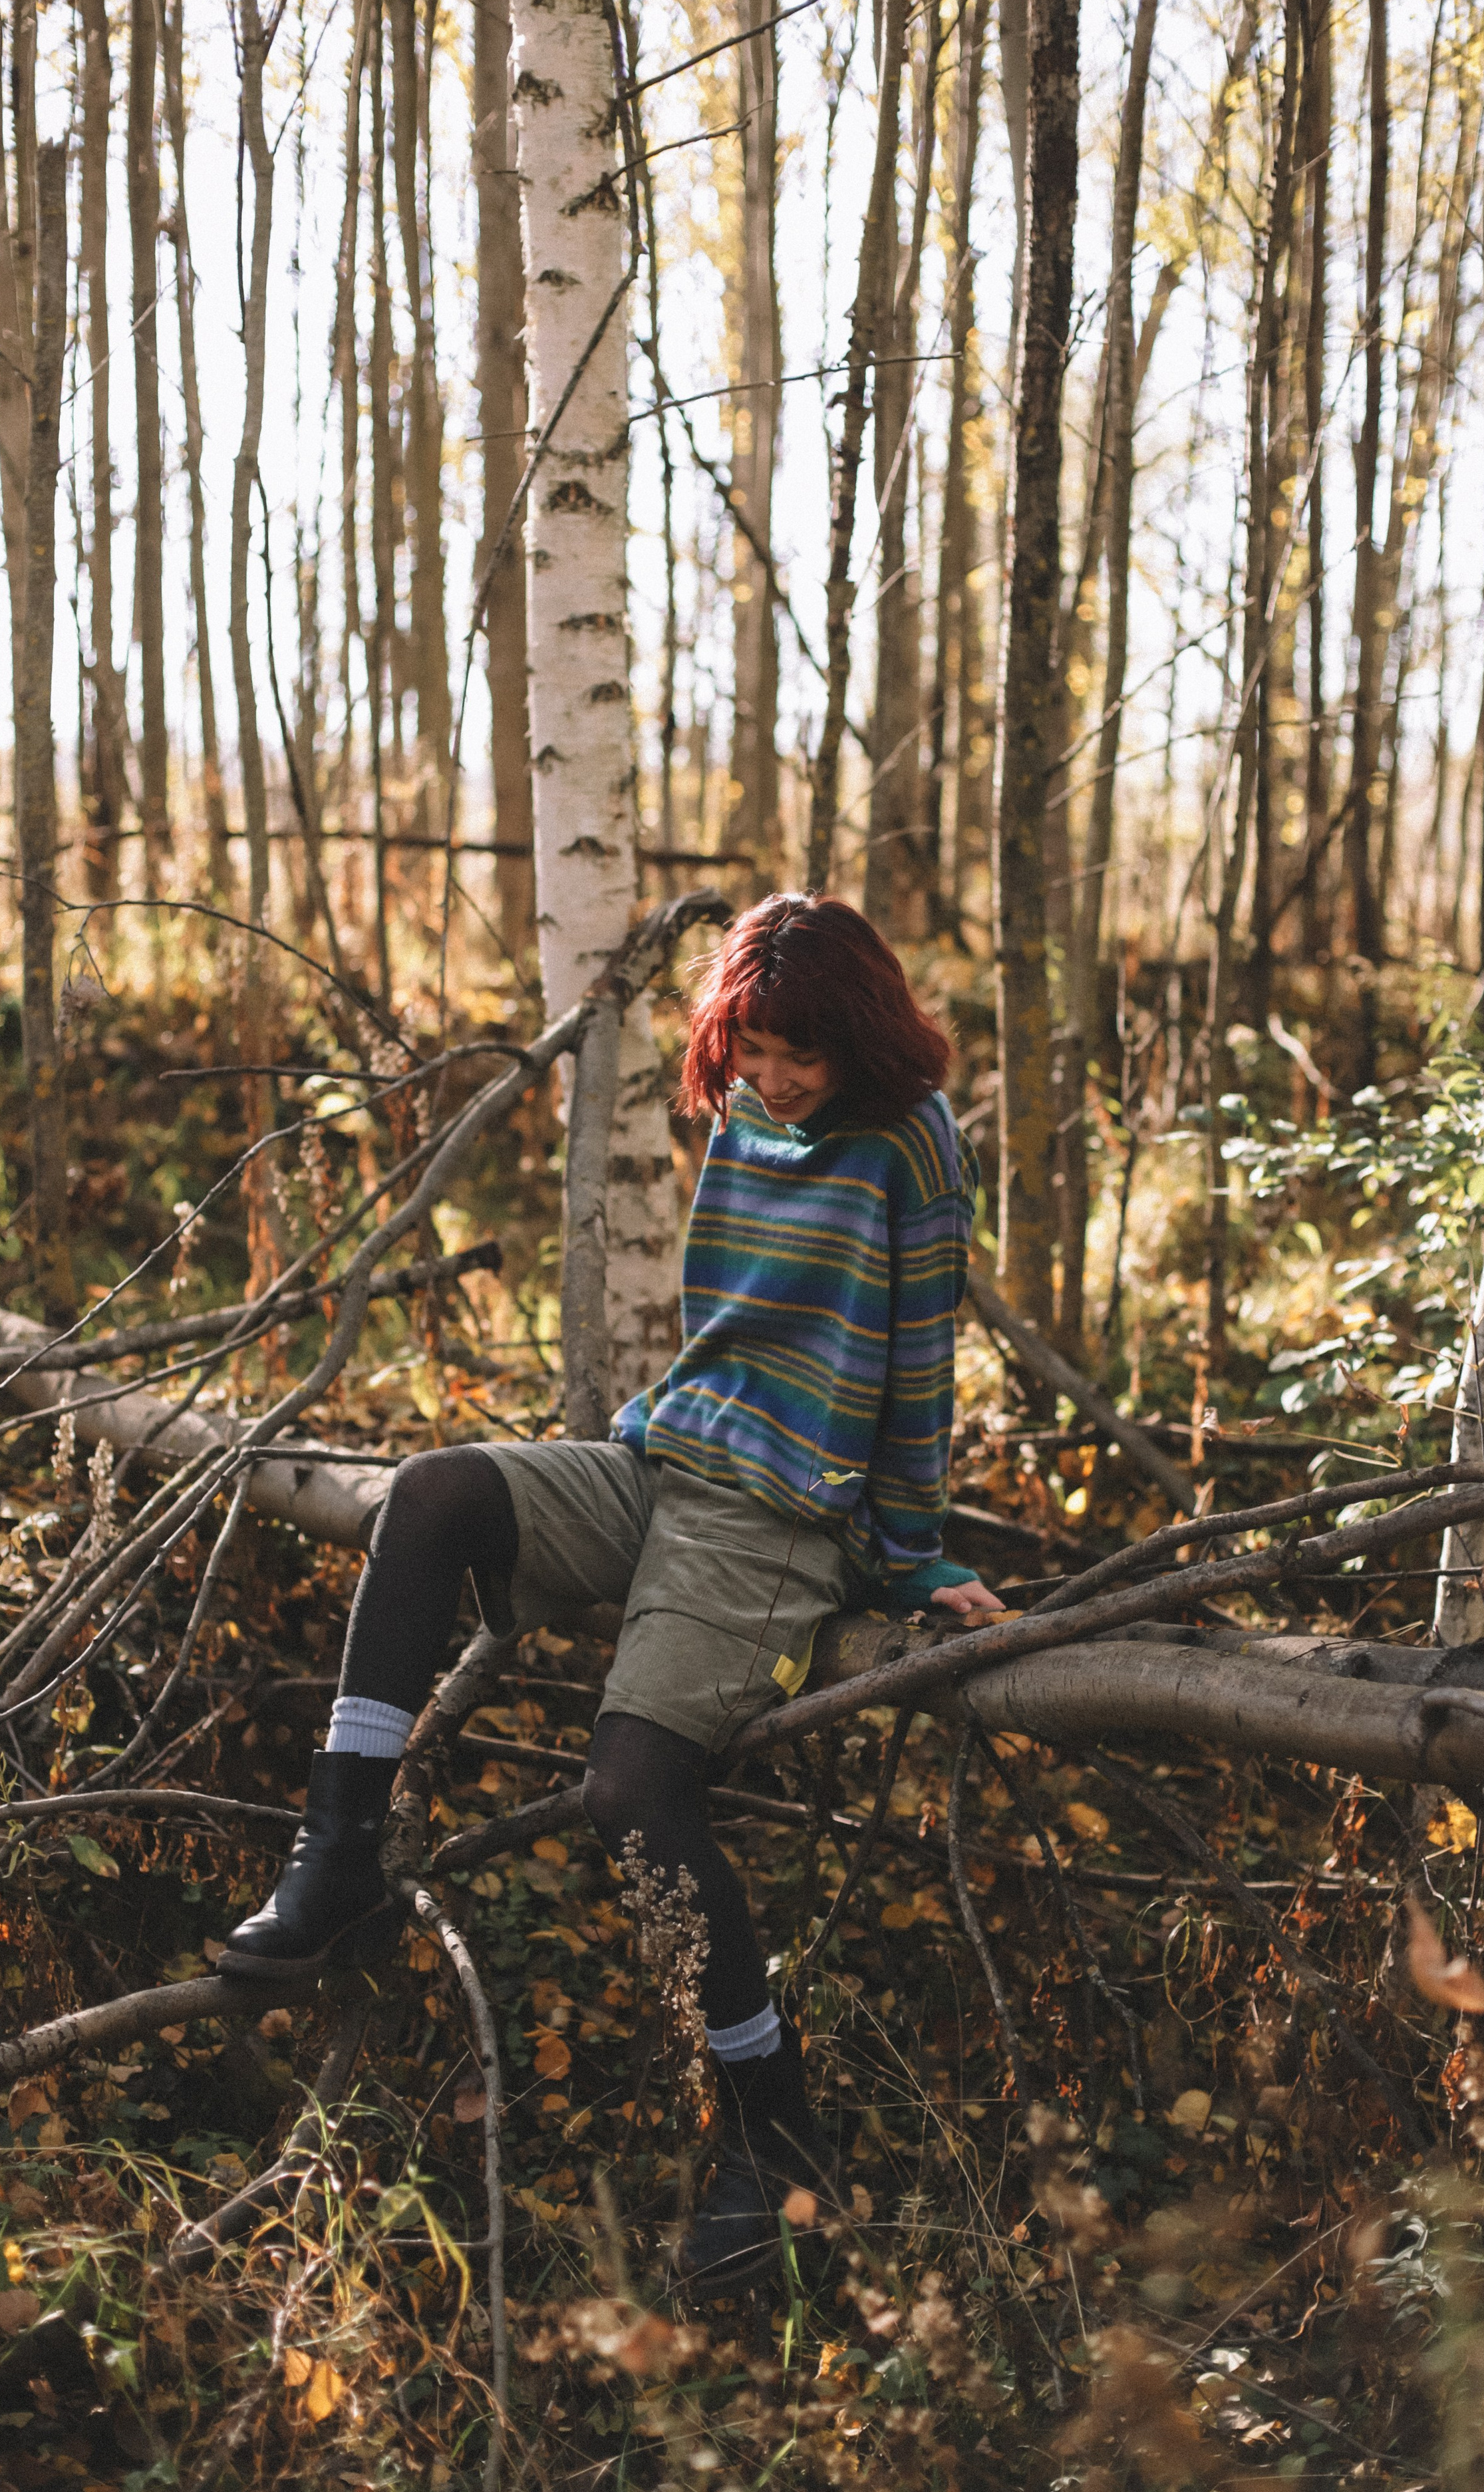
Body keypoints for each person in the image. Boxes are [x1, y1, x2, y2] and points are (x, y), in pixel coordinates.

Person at [218, 893, 1002, 2292]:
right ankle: (337, 1861)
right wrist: (627, 1451)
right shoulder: (740, 1121)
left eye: (799, 1055)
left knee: (632, 1793)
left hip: (777, 1516)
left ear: (862, 1038)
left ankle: (776, 2137)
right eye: (750, 1046)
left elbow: (915, 1371)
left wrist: (913, 1558)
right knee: (433, 1490)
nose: (769, 1079)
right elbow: (723, 1333)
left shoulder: (909, 1146)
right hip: (665, 1458)